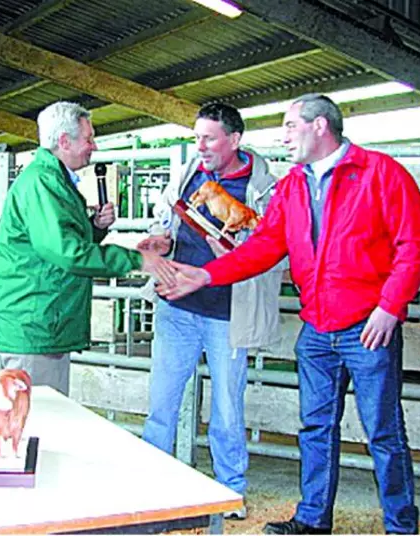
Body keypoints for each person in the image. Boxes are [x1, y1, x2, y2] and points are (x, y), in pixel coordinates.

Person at [158, 94, 420, 535]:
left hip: (369, 326)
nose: (282, 136)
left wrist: (390, 306)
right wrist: (207, 276)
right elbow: (264, 248)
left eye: (290, 126)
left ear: (320, 126)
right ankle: (312, 520)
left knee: (383, 432)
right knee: (315, 428)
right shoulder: (292, 186)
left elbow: (414, 246)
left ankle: (401, 526)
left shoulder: (381, 173)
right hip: (317, 327)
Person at [136, 102, 283, 518]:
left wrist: (234, 251)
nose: (199, 145)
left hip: (228, 314)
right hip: (177, 306)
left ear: (234, 140)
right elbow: (165, 222)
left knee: (227, 407)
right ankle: (150, 483)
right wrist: (158, 240)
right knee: (162, 400)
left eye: (209, 138)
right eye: (196, 136)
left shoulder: (264, 189)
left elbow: (274, 253)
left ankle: (230, 489)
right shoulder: (187, 175)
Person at [0, 101, 175, 396]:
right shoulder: (42, 183)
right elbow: (66, 252)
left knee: (30, 417)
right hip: (34, 321)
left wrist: (94, 227)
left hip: (40, 317)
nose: (93, 146)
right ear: (63, 141)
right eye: (88, 138)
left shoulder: (54, 179)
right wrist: (137, 260)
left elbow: (53, 243)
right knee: (34, 420)